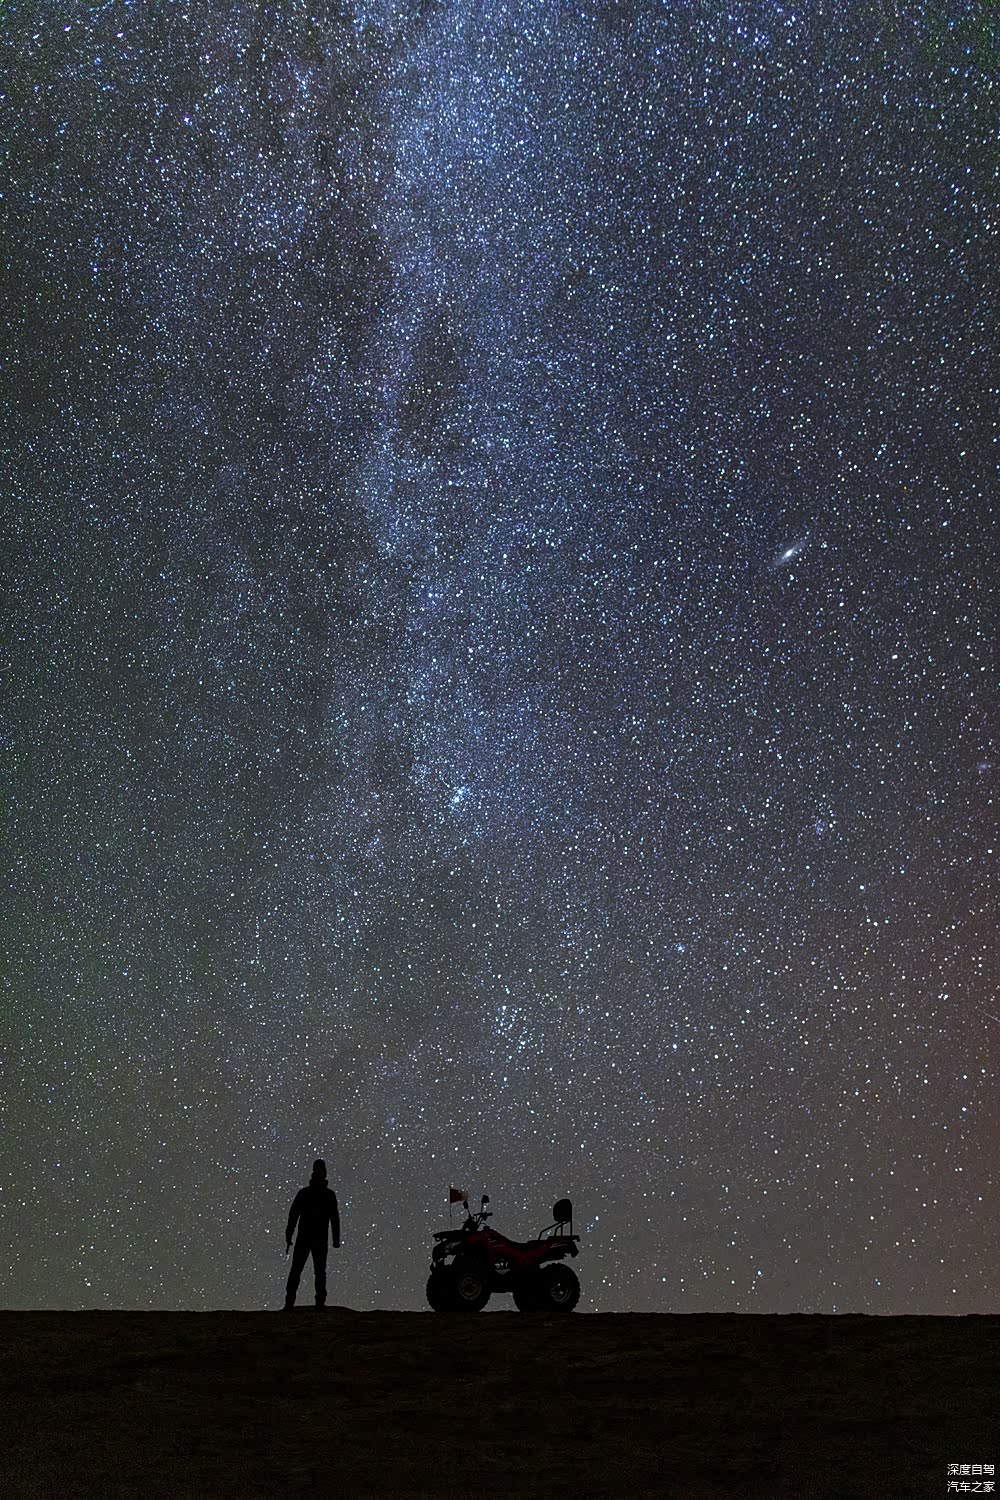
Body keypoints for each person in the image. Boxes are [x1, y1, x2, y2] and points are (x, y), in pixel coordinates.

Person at [284, 1159, 340, 1309]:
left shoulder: (324, 1195)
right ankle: (290, 1303)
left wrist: (336, 1239)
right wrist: (289, 1234)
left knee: (318, 1272)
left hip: (317, 1239)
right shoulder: (307, 1193)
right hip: (306, 1238)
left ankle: (319, 1303)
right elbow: (293, 1215)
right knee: (298, 1270)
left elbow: (335, 1218)